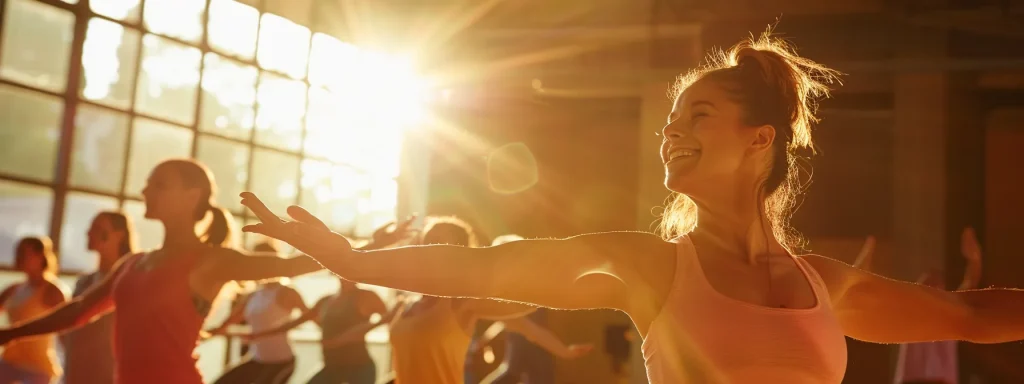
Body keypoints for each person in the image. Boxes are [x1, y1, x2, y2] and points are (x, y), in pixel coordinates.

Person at [239, 30, 1024, 384]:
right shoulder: (651, 267)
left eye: (698, 118)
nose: (672, 134)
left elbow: (967, 315)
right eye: (670, 122)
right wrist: (347, 258)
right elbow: (488, 263)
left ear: (760, 141)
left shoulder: (828, 284)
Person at [0, 159, 395, 384]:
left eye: (158, 185)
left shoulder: (211, 260)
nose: (145, 192)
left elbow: (290, 265)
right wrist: (11, 332)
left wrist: (365, 248)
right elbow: (79, 310)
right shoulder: (133, 264)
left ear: (193, 196)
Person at [468, 235, 592, 384]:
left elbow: (527, 327)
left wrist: (564, 351)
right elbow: (510, 320)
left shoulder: (531, 290)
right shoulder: (494, 293)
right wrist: (485, 339)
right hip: (522, 356)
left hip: (536, 357)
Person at [890, 228, 982, 384]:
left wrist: (975, 260)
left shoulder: (948, 312)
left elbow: (970, 285)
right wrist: (975, 260)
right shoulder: (910, 315)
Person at [206, 243, 307, 384]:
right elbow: (233, 318)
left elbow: (309, 316)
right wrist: (207, 334)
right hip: (257, 359)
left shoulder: (287, 292)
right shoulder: (253, 295)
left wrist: (276, 330)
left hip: (281, 361)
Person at [61, 212, 136, 384]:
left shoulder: (127, 280)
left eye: (97, 228)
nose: (89, 233)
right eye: (90, 228)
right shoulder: (84, 282)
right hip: (76, 374)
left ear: (120, 235)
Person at [0, 237, 69, 384]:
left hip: (38, 368)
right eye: (18, 252)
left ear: (41, 256)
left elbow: (66, 330)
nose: (19, 257)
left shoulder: (54, 291)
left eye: (25, 253)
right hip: (9, 362)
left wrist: (73, 364)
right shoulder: (14, 289)